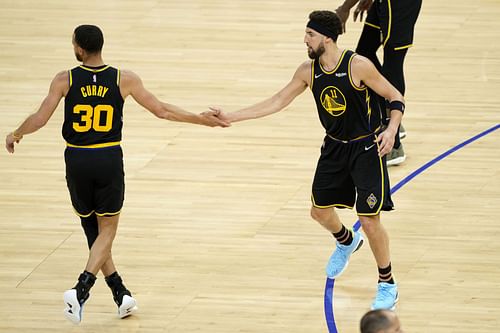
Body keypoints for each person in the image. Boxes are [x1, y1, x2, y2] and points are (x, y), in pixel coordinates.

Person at [5, 24, 229, 324]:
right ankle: (81, 289)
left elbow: (40, 118)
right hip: (108, 157)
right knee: (106, 230)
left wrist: (16, 132)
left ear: (78, 49)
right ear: (100, 46)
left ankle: (120, 294)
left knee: (93, 230)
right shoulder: (124, 79)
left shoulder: (65, 79)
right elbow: (162, 110)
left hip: (77, 159)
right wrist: (201, 120)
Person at [209, 10, 402, 310]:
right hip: (334, 148)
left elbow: (395, 96)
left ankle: (387, 283)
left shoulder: (358, 66)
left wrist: (391, 130)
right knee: (319, 212)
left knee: (369, 219)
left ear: (326, 37)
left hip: (366, 148)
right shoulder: (307, 71)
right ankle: (347, 241)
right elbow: (277, 101)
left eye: (309, 35)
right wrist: (231, 117)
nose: (305, 40)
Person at [336, 0, 422, 166]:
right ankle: (389, 117)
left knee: (393, 66)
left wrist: (345, 8)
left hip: (400, 6)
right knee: (364, 53)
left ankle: (394, 144)